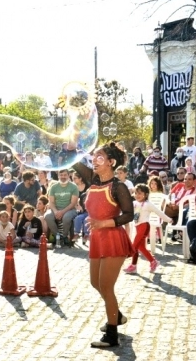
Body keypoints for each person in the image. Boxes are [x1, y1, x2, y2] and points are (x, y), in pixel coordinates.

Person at [72, 143, 134, 349]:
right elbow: (75, 163)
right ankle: (116, 315)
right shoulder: (93, 180)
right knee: (95, 283)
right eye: (93, 157)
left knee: (106, 286)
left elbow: (128, 214)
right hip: (97, 238)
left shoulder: (118, 187)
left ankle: (112, 333)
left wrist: (103, 223)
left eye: (99, 157)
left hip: (113, 238)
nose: (94, 160)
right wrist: (73, 146)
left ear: (111, 162)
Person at [125, 183, 172, 275]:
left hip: (144, 226)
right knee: (141, 247)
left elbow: (159, 212)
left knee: (134, 246)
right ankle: (153, 261)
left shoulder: (148, 204)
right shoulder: (134, 203)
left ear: (146, 195)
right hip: (137, 226)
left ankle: (133, 265)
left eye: (140, 193)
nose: (137, 195)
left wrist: (168, 219)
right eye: (136, 193)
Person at [45, 168, 79, 247]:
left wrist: (62, 212)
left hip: (70, 209)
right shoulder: (53, 187)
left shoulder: (74, 187)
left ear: (68, 175)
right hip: (55, 209)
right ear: (58, 176)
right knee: (47, 216)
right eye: (61, 175)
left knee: (66, 217)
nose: (63, 177)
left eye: (65, 175)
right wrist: (56, 211)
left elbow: (73, 203)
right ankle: (58, 237)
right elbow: (51, 202)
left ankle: (64, 236)